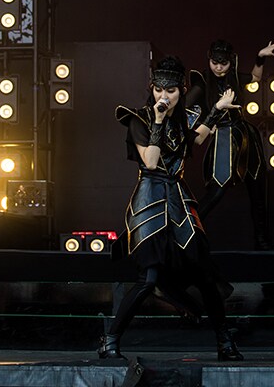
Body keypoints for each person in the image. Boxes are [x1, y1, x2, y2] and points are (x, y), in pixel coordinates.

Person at [100, 56, 243, 361]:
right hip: (150, 199)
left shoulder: (180, 122)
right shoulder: (138, 119)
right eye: (158, 90)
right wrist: (158, 120)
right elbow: (151, 161)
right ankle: (110, 340)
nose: (164, 96)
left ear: (181, 91)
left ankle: (224, 342)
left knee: (205, 275)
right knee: (148, 279)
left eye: (171, 91)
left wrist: (215, 112)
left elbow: (196, 140)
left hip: (178, 198)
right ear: (152, 89)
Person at [187, 39, 274, 249]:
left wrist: (260, 57)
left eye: (223, 63)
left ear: (231, 61)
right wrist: (206, 123)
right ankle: (187, 234)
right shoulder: (202, 80)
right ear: (209, 59)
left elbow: (256, 78)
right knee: (216, 191)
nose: (219, 67)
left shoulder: (235, 76)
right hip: (222, 136)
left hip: (244, 134)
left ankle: (262, 240)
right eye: (215, 62)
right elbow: (186, 106)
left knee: (257, 188)